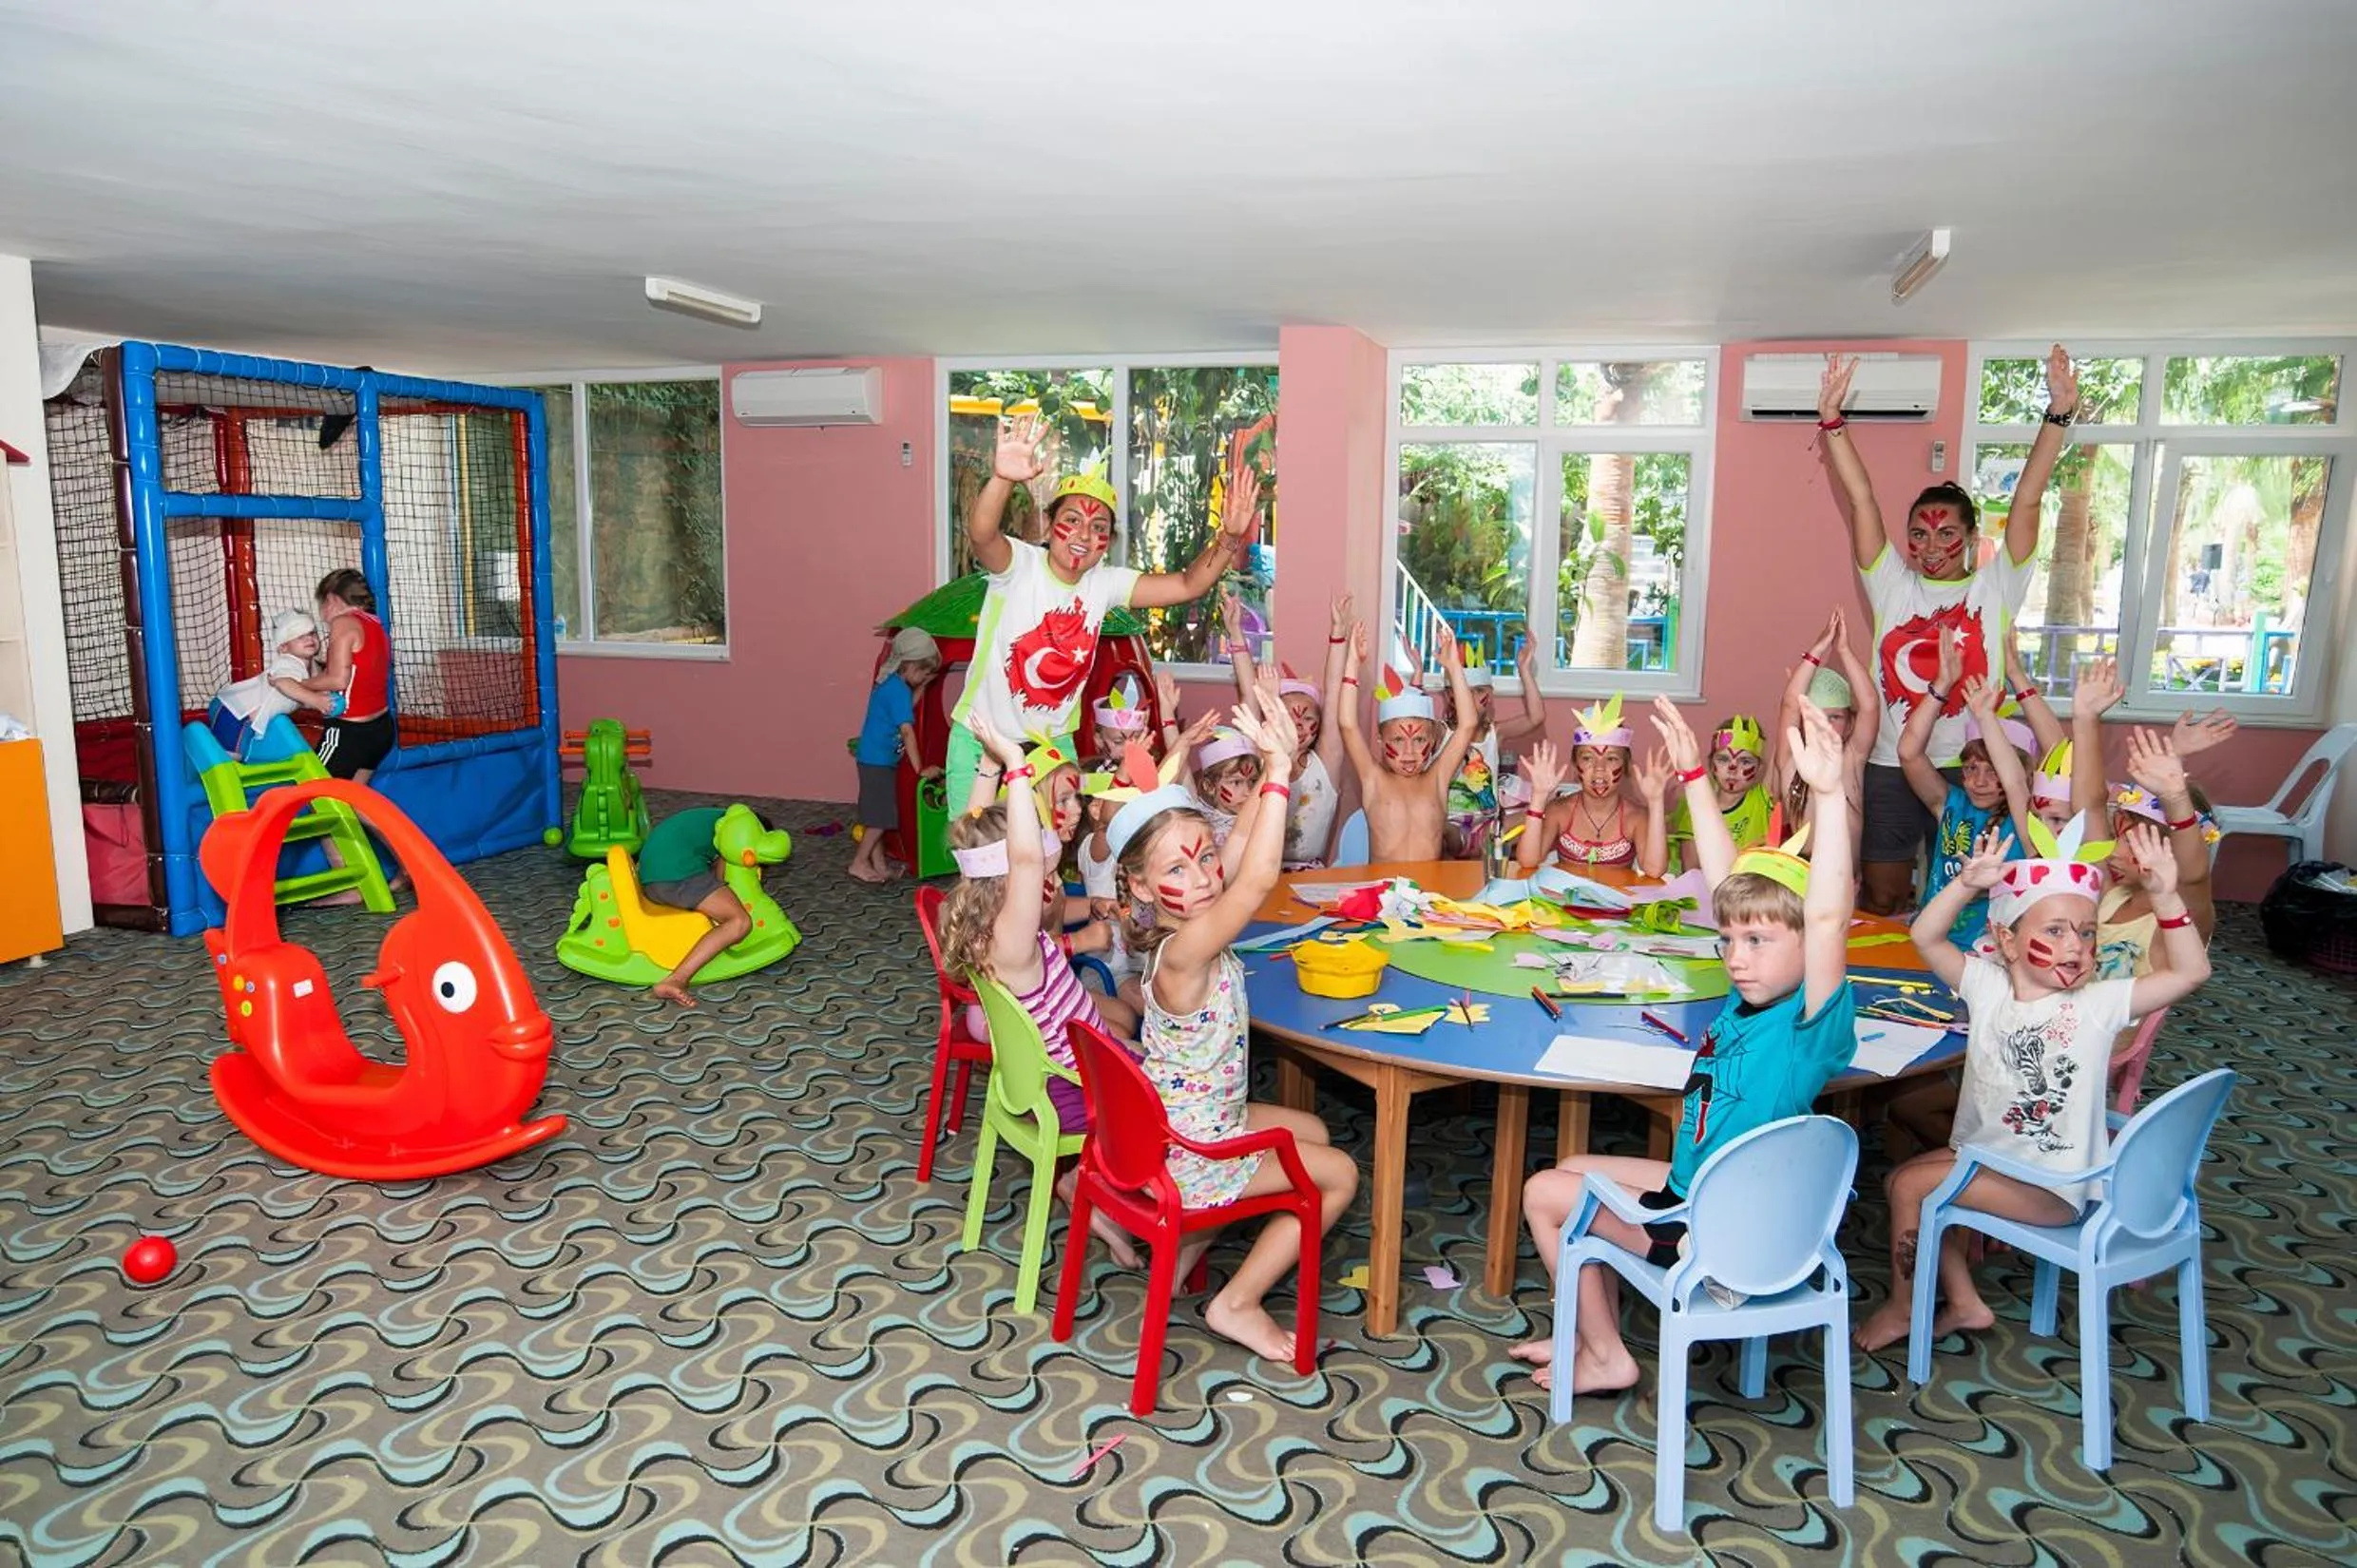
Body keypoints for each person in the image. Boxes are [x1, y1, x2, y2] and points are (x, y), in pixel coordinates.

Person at [1510, 697, 1858, 1393]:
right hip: (1702, 1191)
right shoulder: (1751, 997)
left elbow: (1825, 916)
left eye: (1757, 941)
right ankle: (1583, 1326)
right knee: (1575, 1163)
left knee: (1545, 1192)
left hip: (1716, 1232)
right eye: (1729, 940)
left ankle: (1605, 1354)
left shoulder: (1807, 1027)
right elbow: (1725, 883)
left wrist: (1827, 794)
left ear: (1811, 947)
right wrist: (1695, 776)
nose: (1737, 957)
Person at [1853, 818, 2212, 1353]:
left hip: (2053, 1186)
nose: (2076, 947)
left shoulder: (2098, 1004)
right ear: (2008, 940)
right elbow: (1924, 935)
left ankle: (1904, 1311)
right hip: (1996, 1159)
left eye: (2086, 932)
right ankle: (1965, 1302)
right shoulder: (1987, 986)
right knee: (1903, 1181)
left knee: (1910, 1187)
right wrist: (1966, 884)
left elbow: (2190, 973)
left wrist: (2165, 897)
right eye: (2056, 931)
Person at [1104, 673, 1359, 1364]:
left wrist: (1270, 766)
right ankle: (1237, 1302)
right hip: (1194, 1153)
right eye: (1177, 871)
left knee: (1312, 1129)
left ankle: (1183, 1252)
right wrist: (1276, 772)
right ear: (1139, 886)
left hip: (1187, 1123)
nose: (1202, 879)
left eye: (1205, 859)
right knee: (1339, 1173)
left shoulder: (1179, 927)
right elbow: (1255, 880)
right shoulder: (1185, 950)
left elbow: (1240, 851)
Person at [1820, 346, 2081, 915]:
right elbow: (1861, 498)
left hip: (1976, 766)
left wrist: (2058, 413)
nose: (1930, 546)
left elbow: (2028, 498)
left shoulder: (1997, 585)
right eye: (1918, 534)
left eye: (1945, 534)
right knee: (1883, 897)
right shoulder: (1891, 585)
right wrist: (1833, 421)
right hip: (1893, 761)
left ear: (1970, 537)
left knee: (1974, 897)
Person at [946, 412, 1260, 810]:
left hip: (1050, 748)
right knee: (977, 842)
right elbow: (982, 534)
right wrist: (1002, 478)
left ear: (1107, 543)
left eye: (1098, 528)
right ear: (1049, 525)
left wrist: (1230, 536)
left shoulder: (1105, 583)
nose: (1083, 534)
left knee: (1050, 843)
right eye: (1071, 520)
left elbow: (1188, 585)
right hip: (982, 739)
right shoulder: (1018, 565)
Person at [938, 717, 1141, 1206]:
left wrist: (989, 768)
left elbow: (970, 833)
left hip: (1061, 1071)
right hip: (1075, 1087)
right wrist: (1016, 766)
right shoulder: (1014, 938)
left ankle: (1084, 1182)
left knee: (1137, 1042)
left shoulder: (986, 917)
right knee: (1186, 1093)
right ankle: (1118, 1194)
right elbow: (1027, 861)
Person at [1899, 634, 2033, 951]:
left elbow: (2015, 785)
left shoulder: (2026, 821)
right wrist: (1942, 686)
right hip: (1932, 941)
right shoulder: (1950, 803)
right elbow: (1908, 752)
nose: (1980, 781)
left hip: (1987, 950)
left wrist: (1989, 715)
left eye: (1993, 771)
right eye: (1972, 768)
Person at [1328, 617, 1478, 863]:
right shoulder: (1373, 779)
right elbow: (1347, 724)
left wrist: (1453, 667)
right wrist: (1353, 663)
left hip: (1429, 887)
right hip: (1383, 886)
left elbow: (1468, 724)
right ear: (1380, 740)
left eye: (1419, 740)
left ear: (1433, 740)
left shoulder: (1437, 779)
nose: (1409, 751)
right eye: (1398, 740)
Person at [1221, 589, 1348, 868]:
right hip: (1258, 870)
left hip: (1309, 875)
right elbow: (1249, 692)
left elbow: (1334, 693)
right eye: (1289, 717)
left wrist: (1338, 633)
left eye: (1307, 718)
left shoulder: (1326, 764)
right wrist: (1235, 632)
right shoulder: (1262, 760)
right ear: (1273, 716)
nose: (1298, 725)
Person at [1426, 635, 1549, 860]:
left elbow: (1536, 717)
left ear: (1490, 695)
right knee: (1438, 827)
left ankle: (1484, 856)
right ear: (1452, 696)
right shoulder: (1440, 732)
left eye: (1481, 691)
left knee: (1543, 812)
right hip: (1452, 825)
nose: (1474, 698)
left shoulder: (1495, 733)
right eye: (1467, 691)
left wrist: (1524, 670)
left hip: (1489, 827)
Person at [1771, 608, 1878, 862]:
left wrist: (1844, 651)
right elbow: (1790, 703)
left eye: (1835, 717)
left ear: (1850, 723)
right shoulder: (1791, 760)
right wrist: (1817, 651)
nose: (1824, 725)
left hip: (1844, 876)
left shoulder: (1851, 759)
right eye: (1815, 716)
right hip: (1801, 873)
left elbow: (1870, 704)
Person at [634, 805, 763, 1007]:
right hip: (675, 877)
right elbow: (722, 877)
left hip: (651, 880)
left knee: (723, 904)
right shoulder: (737, 830)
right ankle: (676, 979)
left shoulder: (717, 818)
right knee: (739, 921)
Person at [1515, 694, 1648, 872]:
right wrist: (1538, 798)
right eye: (1587, 758)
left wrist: (1656, 803)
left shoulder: (1638, 817)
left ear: (1625, 766)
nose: (1599, 768)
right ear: (1575, 763)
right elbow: (1527, 861)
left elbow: (1655, 870)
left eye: (1611, 759)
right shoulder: (1559, 811)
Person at [849, 627, 941, 885]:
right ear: (910, 665)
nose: (925, 677)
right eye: (924, 672)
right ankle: (859, 862)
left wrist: (922, 686)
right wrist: (920, 768)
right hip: (877, 762)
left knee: (875, 815)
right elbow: (907, 731)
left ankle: (878, 865)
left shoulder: (894, 685)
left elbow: (905, 709)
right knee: (880, 818)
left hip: (875, 759)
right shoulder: (897, 690)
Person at [206, 610, 337, 759]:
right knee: (230, 758)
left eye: (312, 633)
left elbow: (297, 697)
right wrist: (315, 700)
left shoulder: (308, 669)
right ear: (283, 647)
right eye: (300, 636)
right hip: (235, 712)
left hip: (242, 715)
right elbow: (283, 684)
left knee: (241, 756)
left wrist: (318, 699)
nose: (309, 639)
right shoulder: (288, 663)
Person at [306, 568, 396, 784]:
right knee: (353, 798)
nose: (323, 616)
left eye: (322, 606)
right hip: (381, 728)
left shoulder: (343, 622)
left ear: (332, 599)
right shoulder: (375, 623)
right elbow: (358, 675)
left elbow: (337, 680)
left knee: (313, 791)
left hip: (351, 732)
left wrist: (297, 684)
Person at [1663, 713, 1773, 870]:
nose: (1732, 769)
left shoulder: (1764, 799)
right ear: (1710, 763)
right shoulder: (1696, 807)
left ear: (1760, 768)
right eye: (1723, 759)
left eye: (1745, 761)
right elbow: (1692, 869)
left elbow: (1783, 755)